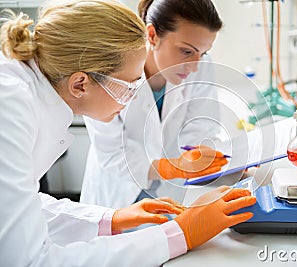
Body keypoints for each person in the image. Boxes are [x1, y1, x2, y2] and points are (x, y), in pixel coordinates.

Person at [0, 1, 256, 266]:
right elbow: (29, 261)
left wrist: (109, 219)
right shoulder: (9, 107)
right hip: (114, 189)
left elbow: (24, 205)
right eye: (129, 88)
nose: (133, 98)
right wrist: (180, 234)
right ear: (80, 84)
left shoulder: (27, 96)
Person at [81, 0, 226, 209]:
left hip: (170, 190)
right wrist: (170, 168)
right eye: (186, 51)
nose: (194, 66)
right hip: (117, 190)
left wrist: (203, 158)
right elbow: (111, 151)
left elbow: (201, 126)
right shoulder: (111, 67)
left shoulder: (202, 66)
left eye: (202, 53)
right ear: (152, 35)